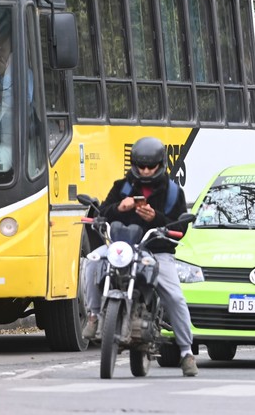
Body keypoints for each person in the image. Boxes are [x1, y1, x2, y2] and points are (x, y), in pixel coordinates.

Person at [81, 136, 199, 377]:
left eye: (150, 166)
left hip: (156, 251)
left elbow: (180, 226)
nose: (145, 171)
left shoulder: (173, 193)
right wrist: (118, 208)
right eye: (141, 166)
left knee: (175, 297)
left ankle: (186, 352)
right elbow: (102, 213)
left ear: (160, 165)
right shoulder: (122, 187)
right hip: (121, 248)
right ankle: (93, 315)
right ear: (134, 164)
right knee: (91, 260)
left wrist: (155, 219)